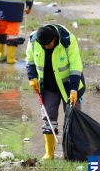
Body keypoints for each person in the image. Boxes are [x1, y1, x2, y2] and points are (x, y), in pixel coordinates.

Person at [25, 24, 85, 160]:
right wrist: (32, 77)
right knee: (48, 119)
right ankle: (49, 153)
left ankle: (70, 153)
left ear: (55, 38)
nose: (46, 47)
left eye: (48, 44)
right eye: (43, 45)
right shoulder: (34, 41)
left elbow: (76, 66)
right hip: (48, 87)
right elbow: (29, 60)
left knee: (73, 119)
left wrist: (74, 89)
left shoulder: (68, 40)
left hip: (69, 86)